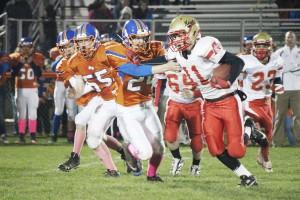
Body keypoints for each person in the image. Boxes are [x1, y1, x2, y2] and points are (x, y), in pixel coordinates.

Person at [166, 15, 258, 187]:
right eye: (174, 36)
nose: (177, 40)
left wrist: (228, 81)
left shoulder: (205, 45)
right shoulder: (175, 53)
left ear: (193, 32)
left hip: (228, 99)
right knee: (215, 149)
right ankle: (247, 177)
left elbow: (236, 61)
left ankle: (248, 127)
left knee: (237, 150)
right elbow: (161, 62)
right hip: (208, 103)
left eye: (180, 35)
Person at [105, 19, 180, 181]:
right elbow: (135, 70)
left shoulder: (155, 48)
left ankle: (152, 175)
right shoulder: (116, 51)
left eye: (143, 37)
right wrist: (166, 66)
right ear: (126, 37)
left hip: (146, 105)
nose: (140, 41)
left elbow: (171, 55)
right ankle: (129, 149)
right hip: (127, 109)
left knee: (159, 148)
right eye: (136, 38)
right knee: (145, 152)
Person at [57, 26, 126, 174]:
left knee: (88, 128)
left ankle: (77, 157)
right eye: (78, 42)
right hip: (97, 96)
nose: (67, 50)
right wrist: (74, 93)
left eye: (69, 46)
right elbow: (80, 86)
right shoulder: (70, 62)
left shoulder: (101, 52)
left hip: (107, 95)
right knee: (92, 131)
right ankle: (121, 157)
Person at [238, 32, 284, 172]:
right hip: (250, 100)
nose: (261, 48)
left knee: (269, 130)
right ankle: (248, 130)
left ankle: (263, 157)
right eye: (258, 45)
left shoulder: (277, 60)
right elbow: (236, 78)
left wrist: (278, 84)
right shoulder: (246, 60)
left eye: (264, 45)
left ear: (270, 47)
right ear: (253, 47)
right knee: (268, 123)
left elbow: (277, 76)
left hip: (266, 100)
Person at [154, 69, 204, 176]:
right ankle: (177, 158)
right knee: (169, 136)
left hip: (194, 104)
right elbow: (160, 83)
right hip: (174, 103)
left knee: (196, 138)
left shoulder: (195, 61)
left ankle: (196, 164)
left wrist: (196, 93)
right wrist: (156, 103)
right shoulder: (167, 62)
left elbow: (208, 86)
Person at [9, 37, 44, 144]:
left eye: (28, 47)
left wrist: (31, 62)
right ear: (20, 48)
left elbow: (39, 74)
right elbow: (12, 74)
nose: (26, 49)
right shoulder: (15, 57)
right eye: (24, 47)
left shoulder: (37, 57)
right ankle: (21, 136)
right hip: (20, 89)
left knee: (33, 114)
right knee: (22, 114)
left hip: (32, 89)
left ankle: (33, 136)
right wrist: (21, 63)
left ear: (32, 48)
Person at [273, 31, 300, 147]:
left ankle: (299, 142)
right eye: (288, 37)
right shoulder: (278, 53)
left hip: (298, 88)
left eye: (292, 37)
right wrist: (293, 67)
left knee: (298, 116)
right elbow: (275, 69)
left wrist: (285, 68)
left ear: (296, 39)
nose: (290, 39)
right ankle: (277, 142)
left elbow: (282, 69)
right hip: (282, 88)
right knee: (279, 116)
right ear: (285, 39)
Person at [0, 48, 10, 144]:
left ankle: (2, 134)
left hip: (0, 88)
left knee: (1, 113)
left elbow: (6, 67)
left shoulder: (3, 55)